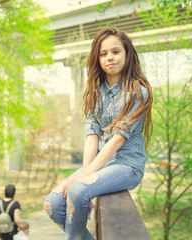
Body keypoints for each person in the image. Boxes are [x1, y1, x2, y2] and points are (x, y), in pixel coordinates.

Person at [43, 27, 153, 240]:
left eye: (115, 52)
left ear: (127, 54)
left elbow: (115, 142)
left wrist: (83, 178)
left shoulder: (138, 92)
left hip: (127, 166)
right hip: (102, 164)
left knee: (77, 191)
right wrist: (86, 171)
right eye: (103, 54)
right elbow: (92, 135)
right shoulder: (96, 91)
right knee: (53, 204)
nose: (109, 57)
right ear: (97, 58)